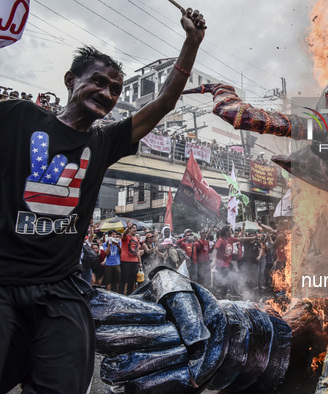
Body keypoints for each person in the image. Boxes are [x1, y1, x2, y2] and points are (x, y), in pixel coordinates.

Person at [0, 7, 206, 393]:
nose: (108, 94)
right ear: (69, 81)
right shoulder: (19, 117)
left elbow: (162, 103)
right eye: (99, 82)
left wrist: (191, 43)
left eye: (115, 90)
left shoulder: (103, 142)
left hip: (59, 292)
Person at [120, 222, 141, 295]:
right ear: (129, 229)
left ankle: (130, 294)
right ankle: (122, 294)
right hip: (125, 261)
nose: (135, 229)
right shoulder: (125, 237)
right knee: (124, 279)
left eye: (135, 228)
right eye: (133, 228)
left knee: (132, 280)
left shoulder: (136, 238)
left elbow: (137, 251)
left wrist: (140, 262)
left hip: (134, 261)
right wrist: (128, 227)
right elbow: (124, 234)